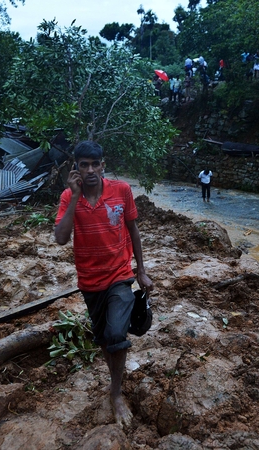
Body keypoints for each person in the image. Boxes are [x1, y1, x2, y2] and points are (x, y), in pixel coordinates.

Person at [54, 141, 153, 428]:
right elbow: (61, 238)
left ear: (103, 165)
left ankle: (116, 394)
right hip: (89, 282)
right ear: (76, 168)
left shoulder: (121, 191)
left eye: (94, 164)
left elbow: (133, 229)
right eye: (83, 165)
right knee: (103, 339)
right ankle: (116, 376)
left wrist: (141, 271)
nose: (90, 170)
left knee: (114, 334)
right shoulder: (66, 197)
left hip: (120, 276)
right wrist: (73, 197)